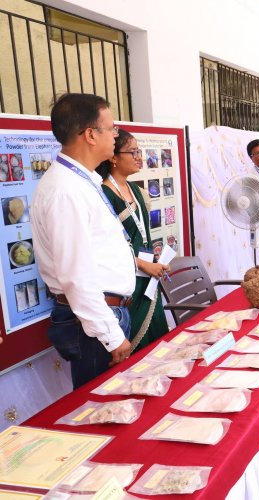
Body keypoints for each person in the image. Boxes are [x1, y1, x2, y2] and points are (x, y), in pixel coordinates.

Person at [30, 93, 135, 388]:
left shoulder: (81, 179)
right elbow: (76, 276)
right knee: (102, 410)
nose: (116, 134)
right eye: (111, 128)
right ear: (90, 134)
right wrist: (111, 336)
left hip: (104, 314)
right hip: (94, 323)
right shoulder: (65, 189)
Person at [96, 129, 170, 353]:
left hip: (149, 279)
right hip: (127, 282)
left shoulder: (137, 192)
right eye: (133, 151)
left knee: (158, 345)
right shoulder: (103, 195)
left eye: (139, 151)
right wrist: (142, 264)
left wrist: (154, 259)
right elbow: (106, 248)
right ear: (113, 157)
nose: (139, 157)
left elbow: (143, 234)